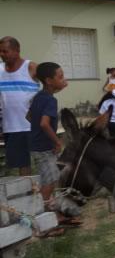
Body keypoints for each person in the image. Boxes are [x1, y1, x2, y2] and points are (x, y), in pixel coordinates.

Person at [28, 62, 69, 235]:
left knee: (51, 179)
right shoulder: (50, 100)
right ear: (49, 81)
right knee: (49, 183)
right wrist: (57, 142)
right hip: (45, 148)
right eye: (60, 77)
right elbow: (45, 124)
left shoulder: (39, 96)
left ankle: (54, 215)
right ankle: (44, 224)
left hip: (38, 145)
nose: (64, 79)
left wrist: (37, 133)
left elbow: (29, 116)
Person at [0, 36, 38, 175]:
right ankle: (26, 192)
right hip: (10, 126)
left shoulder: (31, 67)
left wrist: (43, 107)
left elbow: (51, 83)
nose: (2, 55)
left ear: (17, 50)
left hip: (30, 125)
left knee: (37, 165)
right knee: (20, 165)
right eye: (0, 52)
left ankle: (39, 192)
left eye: (5, 51)